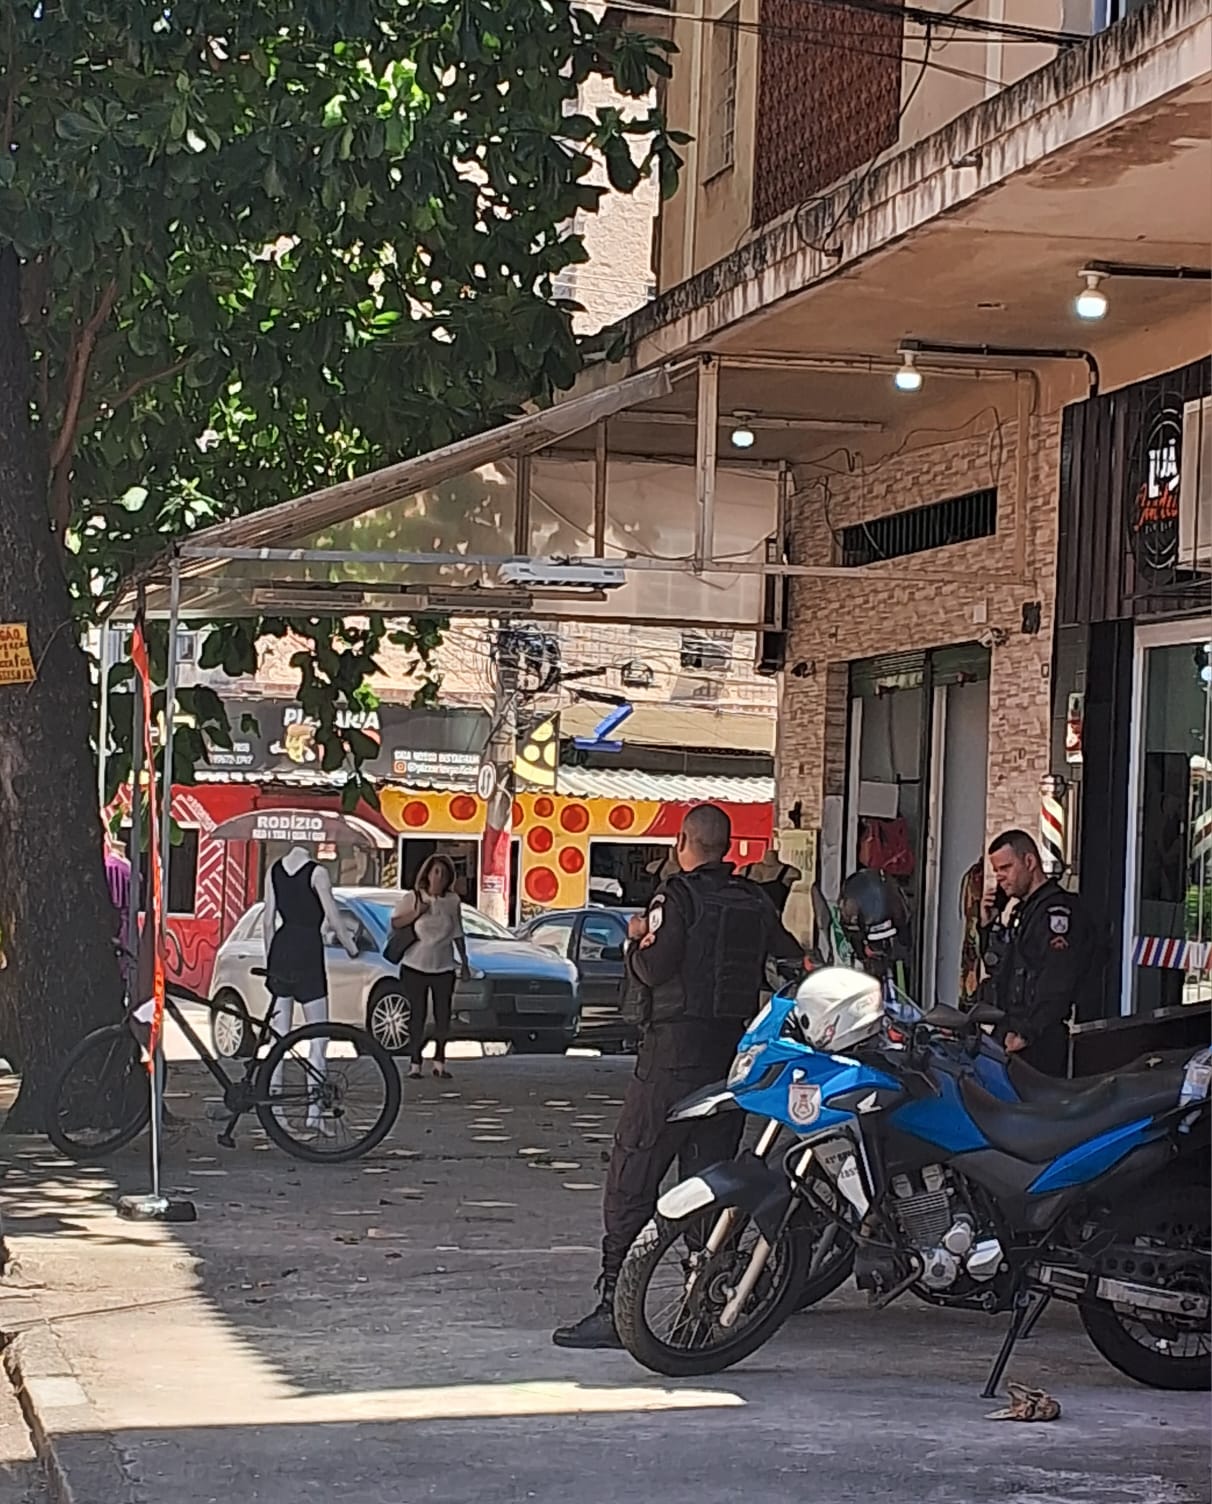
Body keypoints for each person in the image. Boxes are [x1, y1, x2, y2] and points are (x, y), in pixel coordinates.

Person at [552, 803, 804, 1349]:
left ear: (684, 842)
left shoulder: (677, 896)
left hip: (670, 1055)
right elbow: (789, 958)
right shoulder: (753, 900)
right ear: (728, 847)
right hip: (727, 1058)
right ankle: (704, 1301)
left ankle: (616, 1306)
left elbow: (653, 967)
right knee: (708, 1180)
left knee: (633, 1174)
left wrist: (635, 938)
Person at [980, 829, 1097, 1076]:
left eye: (1006, 868)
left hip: (1038, 1040)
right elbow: (998, 966)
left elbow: (1058, 978)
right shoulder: (1021, 911)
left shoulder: (1056, 912)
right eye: (996, 871)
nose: (1000, 877)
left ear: (1029, 862)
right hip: (1010, 1030)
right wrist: (989, 925)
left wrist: (1027, 1032)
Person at [392, 854, 470, 1081]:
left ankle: (439, 1062)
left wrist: (464, 961)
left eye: (444, 874)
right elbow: (395, 922)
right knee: (417, 1014)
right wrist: (418, 912)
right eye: (436, 872)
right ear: (427, 874)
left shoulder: (452, 901)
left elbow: (457, 931)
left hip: (443, 967)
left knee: (442, 1016)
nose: (439, 878)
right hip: (415, 965)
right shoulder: (414, 897)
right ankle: (415, 1063)